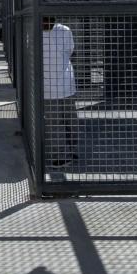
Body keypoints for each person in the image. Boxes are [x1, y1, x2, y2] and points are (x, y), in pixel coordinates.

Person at [42, 16, 78, 168]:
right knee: (67, 120)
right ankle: (68, 153)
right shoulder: (65, 30)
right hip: (63, 83)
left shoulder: (35, 31)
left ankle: (61, 156)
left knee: (57, 122)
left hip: (52, 85)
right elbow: (70, 51)